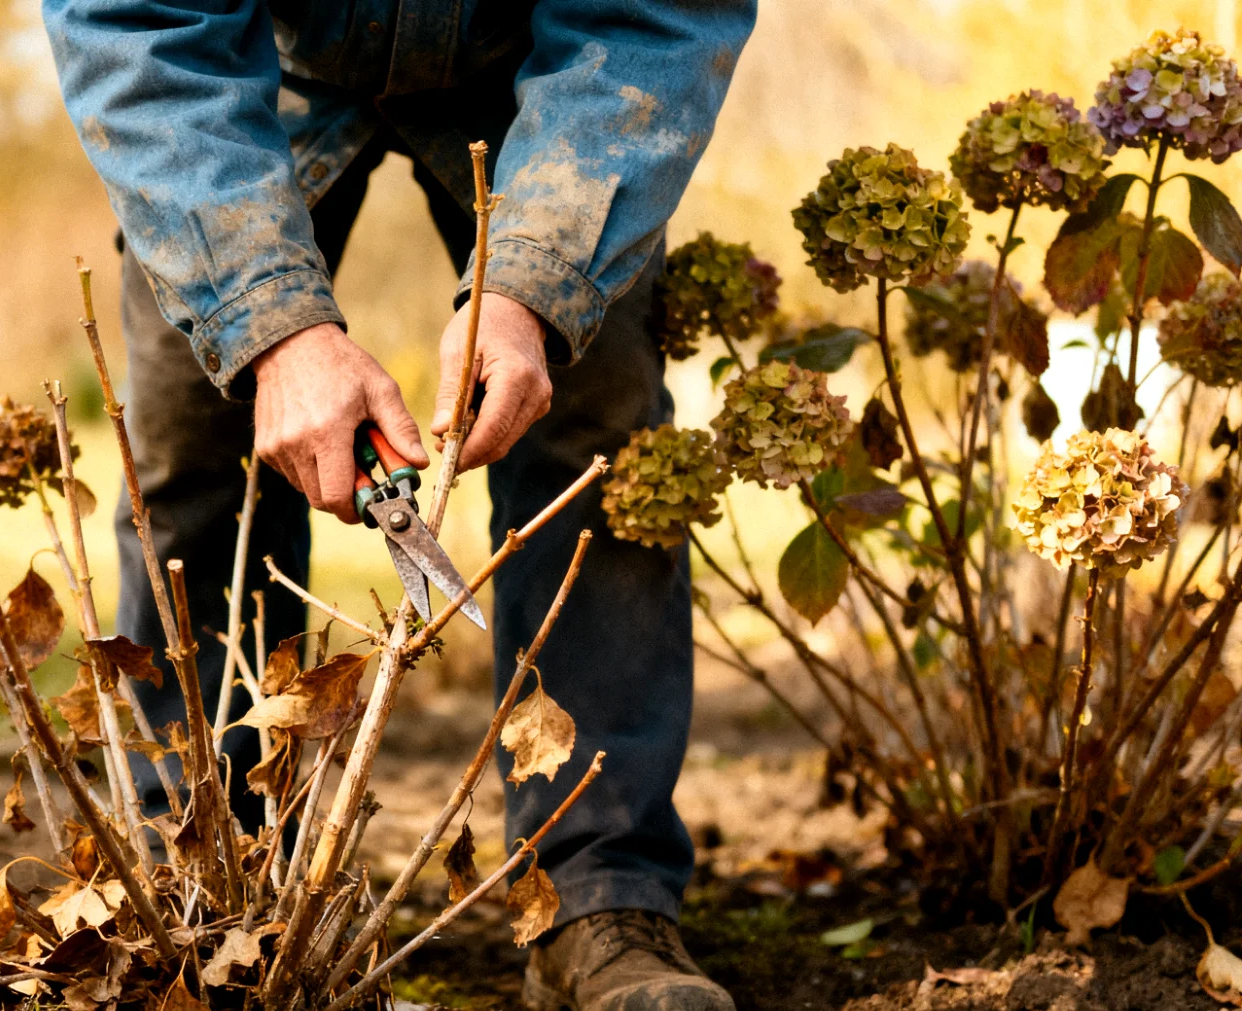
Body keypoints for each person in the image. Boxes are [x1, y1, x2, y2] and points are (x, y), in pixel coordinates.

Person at [42, 4, 755, 1009]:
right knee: (189, 428)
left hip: (553, 65)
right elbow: (133, 22)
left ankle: (598, 895)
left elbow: (655, 16)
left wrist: (536, 286)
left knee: (599, 427)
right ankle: (204, 886)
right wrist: (273, 326)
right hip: (235, 60)